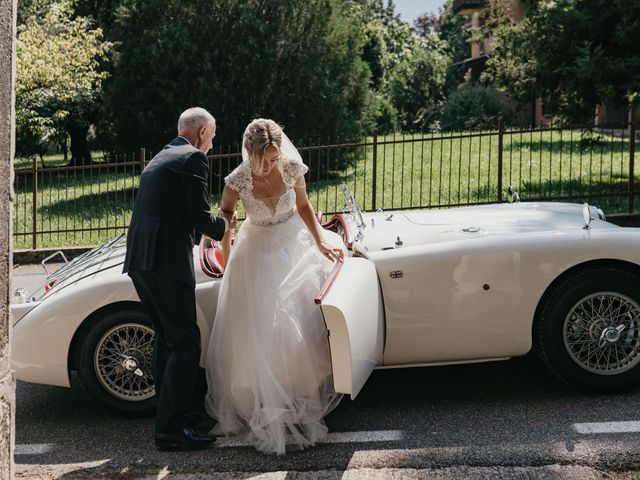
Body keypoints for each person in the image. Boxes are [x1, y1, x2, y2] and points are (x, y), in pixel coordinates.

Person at [205, 118, 344, 455]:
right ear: (250, 152)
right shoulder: (236, 179)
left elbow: (304, 206)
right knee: (261, 327)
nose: (270, 163)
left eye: (273, 156)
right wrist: (227, 254)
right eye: (264, 158)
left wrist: (320, 243)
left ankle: (298, 394)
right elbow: (225, 217)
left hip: (292, 241)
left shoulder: (292, 167)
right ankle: (264, 400)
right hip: (255, 249)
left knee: (297, 321)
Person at [123, 107, 236, 451]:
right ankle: (171, 431)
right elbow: (201, 218)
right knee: (186, 342)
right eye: (213, 137)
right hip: (166, 263)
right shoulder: (192, 159)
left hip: (141, 260)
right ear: (202, 132)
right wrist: (226, 223)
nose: (212, 146)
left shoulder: (160, 157)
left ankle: (174, 415)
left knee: (169, 339)